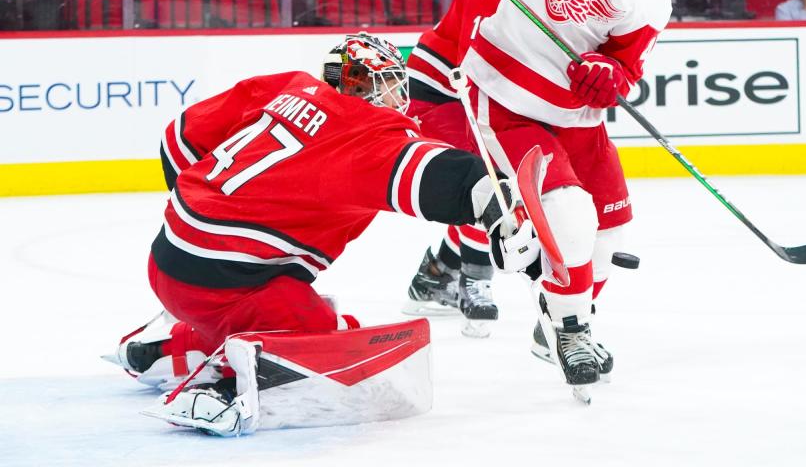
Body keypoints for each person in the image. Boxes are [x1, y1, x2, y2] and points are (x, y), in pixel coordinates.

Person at [109, 32, 545, 435]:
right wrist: (499, 210)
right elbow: (438, 175)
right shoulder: (369, 133)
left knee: (261, 309)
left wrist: (204, 214)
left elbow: (179, 137)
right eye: (391, 83)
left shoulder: (287, 87)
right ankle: (215, 388)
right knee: (312, 324)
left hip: (167, 254)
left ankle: (161, 351)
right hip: (230, 279)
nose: (399, 97)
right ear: (364, 84)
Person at [423, 0, 679, 395]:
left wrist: (609, 75)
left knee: (612, 233)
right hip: (506, 97)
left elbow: (625, 67)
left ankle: (549, 325)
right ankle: (572, 331)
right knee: (570, 215)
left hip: (577, 120)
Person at [403, 0, 519, 338]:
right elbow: (482, 50)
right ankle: (474, 280)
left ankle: (435, 276)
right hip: (445, 83)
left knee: (497, 184)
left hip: (474, 82)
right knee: (483, 181)